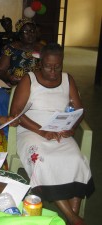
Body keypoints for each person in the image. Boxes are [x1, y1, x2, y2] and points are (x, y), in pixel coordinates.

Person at [10, 43, 95, 225]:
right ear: (41, 63)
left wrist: (72, 125)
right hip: (31, 131)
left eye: (58, 66)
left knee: (76, 159)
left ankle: (73, 213)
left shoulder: (67, 79)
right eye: (49, 66)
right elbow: (16, 112)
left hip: (59, 131)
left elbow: (79, 109)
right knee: (43, 161)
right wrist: (42, 131)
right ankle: (72, 217)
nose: (53, 71)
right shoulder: (29, 79)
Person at [0, 18, 44, 87]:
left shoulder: (43, 49)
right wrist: (9, 78)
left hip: (37, 86)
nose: (30, 34)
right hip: (15, 86)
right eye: (25, 31)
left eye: (32, 31)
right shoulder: (11, 48)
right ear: (20, 35)